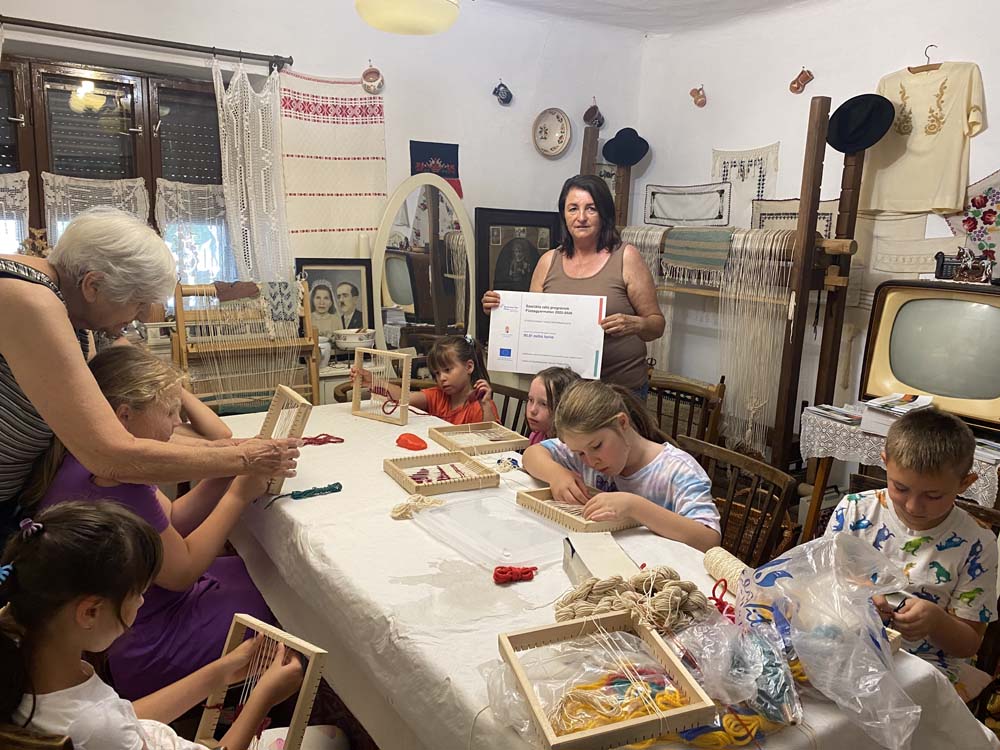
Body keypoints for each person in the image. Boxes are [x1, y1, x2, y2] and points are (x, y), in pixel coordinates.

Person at [0, 207, 299, 543]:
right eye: (139, 303)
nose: (141, 316)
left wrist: (229, 448)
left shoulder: (73, 312)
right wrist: (242, 458)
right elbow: (110, 455)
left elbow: (109, 412)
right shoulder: (30, 300)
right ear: (92, 285)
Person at [34, 346, 275, 700]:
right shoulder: (113, 481)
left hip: (140, 612)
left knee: (265, 573)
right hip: (144, 641)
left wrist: (223, 472)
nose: (177, 423)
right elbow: (181, 573)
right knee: (282, 608)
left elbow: (171, 520)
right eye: (169, 412)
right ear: (124, 416)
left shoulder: (91, 458)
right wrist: (238, 495)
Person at [0, 502, 303, 750]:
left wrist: (221, 672)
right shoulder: (95, 725)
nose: (142, 602)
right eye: (138, 594)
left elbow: (122, 719)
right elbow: (107, 727)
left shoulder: (27, 656)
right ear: (90, 612)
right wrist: (263, 698)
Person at [824, 408, 997, 693]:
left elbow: (968, 645)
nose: (913, 506)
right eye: (900, 488)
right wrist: (859, 596)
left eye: (933, 495)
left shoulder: (978, 544)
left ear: (965, 484)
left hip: (925, 668)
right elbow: (820, 583)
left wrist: (937, 622)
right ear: (885, 463)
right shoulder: (854, 510)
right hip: (849, 643)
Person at [481, 175, 664, 396]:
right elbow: (531, 325)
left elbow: (657, 325)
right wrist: (500, 311)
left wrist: (636, 324)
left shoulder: (626, 257)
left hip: (618, 392)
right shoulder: (548, 261)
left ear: (604, 214)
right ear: (564, 215)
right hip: (562, 392)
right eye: (573, 209)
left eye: (591, 208)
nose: (581, 217)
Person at [523, 380, 720, 551]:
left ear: (622, 423)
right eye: (580, 453)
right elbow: (532, 454)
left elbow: (709, 540)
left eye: (597, 446)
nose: (591, 461)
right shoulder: (585, 446)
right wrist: (556, 474)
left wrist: (634, 507)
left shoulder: (678, 470)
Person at [353, 334, 499, 425]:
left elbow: (493, 440)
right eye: (437, 373)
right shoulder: (438, 396)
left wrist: (486, 405)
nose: (442, 378)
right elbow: (404, 397)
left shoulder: (481, 405)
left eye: (447, 370)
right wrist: (374, 381)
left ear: (469, 367)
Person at [526, 367, 580, 445]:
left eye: (544, 404)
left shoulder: (567, 448)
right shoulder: (536, 435)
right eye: (531, 400)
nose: (532, 410)